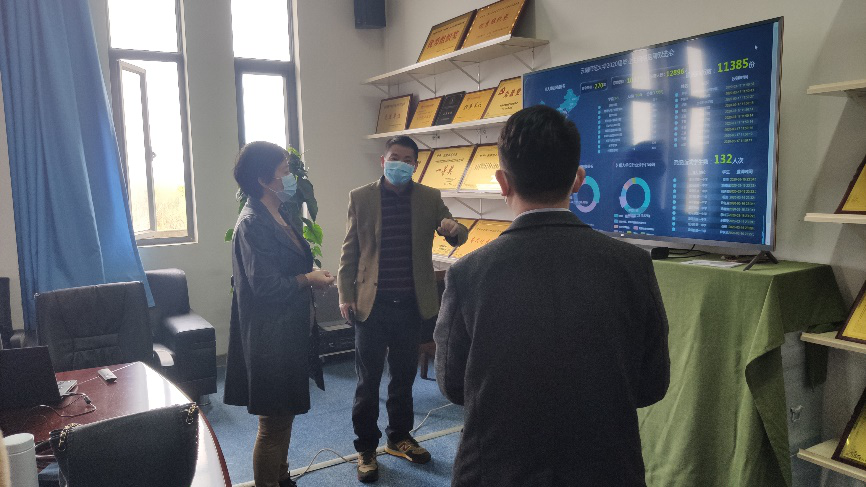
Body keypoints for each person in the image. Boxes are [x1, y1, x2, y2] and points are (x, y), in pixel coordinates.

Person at [434, 105, 670, 487]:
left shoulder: (467, 274)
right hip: (608, 471)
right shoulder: (633, 265)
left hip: (495, 470)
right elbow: (651, 384)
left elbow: (453, 384)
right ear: (578, 180)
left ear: (502, 182)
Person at [338, 135, 469, 483]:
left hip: (411, 305)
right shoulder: (361, 197)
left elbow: (456, 232)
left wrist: (453, 229)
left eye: (408, 160)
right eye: (394, 157)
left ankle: (399, 438)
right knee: (368, 380)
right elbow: (350, 250)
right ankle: (366, 447)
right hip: (371, 304)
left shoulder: (429, 197)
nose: (400, 164)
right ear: (383, 161)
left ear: (415, 165)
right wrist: (344, 294)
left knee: (403, 376)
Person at [224, 141, 335, 487]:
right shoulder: (252, 222)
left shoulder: (280, 213)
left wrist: (310, 275)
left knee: (284, 416)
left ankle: (280, 477)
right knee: (272, 426)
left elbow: (288, 265)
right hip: (269, 338)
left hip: (289, 332)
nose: (290, 177)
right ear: (263, 179)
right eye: (285, 171)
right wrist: (309, 280)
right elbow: (265, 286)